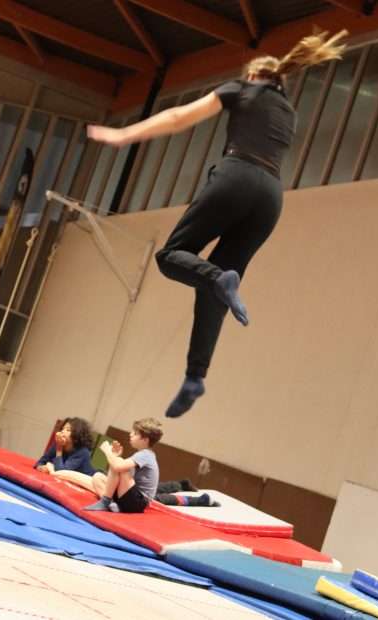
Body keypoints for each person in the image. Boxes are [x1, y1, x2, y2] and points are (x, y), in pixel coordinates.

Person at [87, 31, 348, 419]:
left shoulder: (241, 90)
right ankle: (195, 377)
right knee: (216, 288)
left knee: (172, 255)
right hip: (271, 197)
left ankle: (217, 279)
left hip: (236, 176)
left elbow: (179, 118)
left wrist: (125, 134)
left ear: (253, 75)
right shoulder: (287, 112)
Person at [84, 417, 162, 513]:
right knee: (97, 476)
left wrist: (108, 452)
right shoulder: (141, 454)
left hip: (138, 502)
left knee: (118, 463)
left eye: (135, 433)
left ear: (145, 440)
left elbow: (118, 467)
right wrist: (114, 456)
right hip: (129, 497)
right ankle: (113, 504)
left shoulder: (146, 454)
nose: (131, 434)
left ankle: (105, 502)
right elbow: (119, 475)